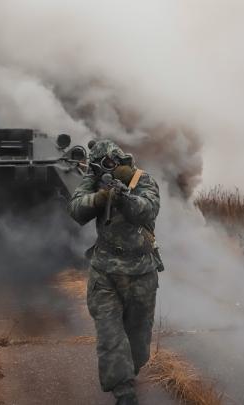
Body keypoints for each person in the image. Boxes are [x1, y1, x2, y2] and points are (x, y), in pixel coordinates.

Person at [68, 139, 164, 405]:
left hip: (142, 272)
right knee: (111, 335)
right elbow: (76, 209)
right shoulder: (93, 179)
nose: (106, 168)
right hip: (105, 272)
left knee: (138, 340)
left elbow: (147, 211)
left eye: (111, 163)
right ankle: (124, 392)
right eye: (101, 165)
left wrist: (123, 196)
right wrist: (101, 195)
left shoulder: (142, 180)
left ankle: (129, 372)